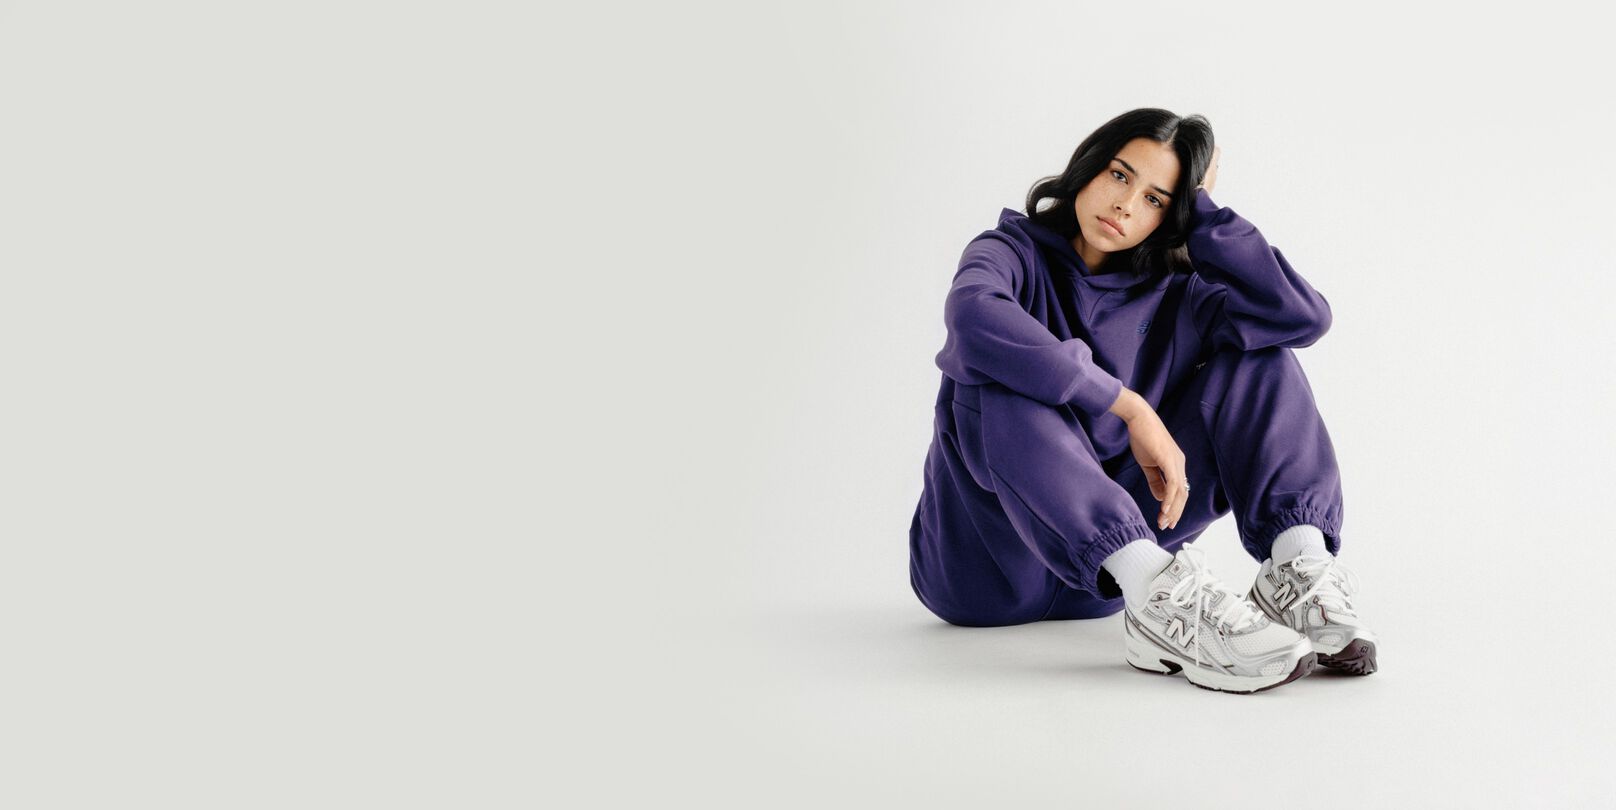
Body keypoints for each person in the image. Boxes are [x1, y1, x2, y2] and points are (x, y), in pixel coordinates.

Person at [907, 108, 1379, 694]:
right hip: (985, 573)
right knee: (997, 370)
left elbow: (1301, 318)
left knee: (1259, 352)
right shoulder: (1010, 253)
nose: (1126, 205)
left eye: (1158, 200)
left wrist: (1203, 216)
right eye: (1120, 175)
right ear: (1087, 167)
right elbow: (973, 317)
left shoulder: (1179, 293)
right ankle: (1156, 592)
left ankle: (1295, 566)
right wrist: (1127, 404)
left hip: (1108, 585)